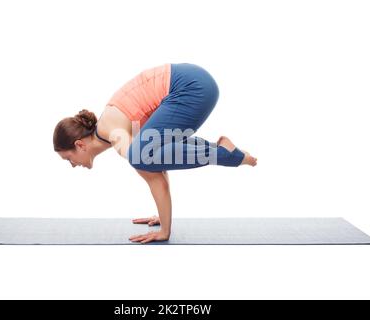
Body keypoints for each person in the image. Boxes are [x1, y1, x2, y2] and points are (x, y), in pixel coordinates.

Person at [53, 63, 257, 244]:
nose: (72, 164)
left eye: (68, 158)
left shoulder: (113, 132)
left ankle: (224, 153)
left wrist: (164, 232)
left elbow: (149, 169)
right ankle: (221, 149)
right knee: (144, 155)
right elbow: (156, 171)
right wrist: (163, 218)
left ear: (79, 145)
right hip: (196, 82)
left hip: (192, 87)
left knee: (138, 157)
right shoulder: (120, 131)